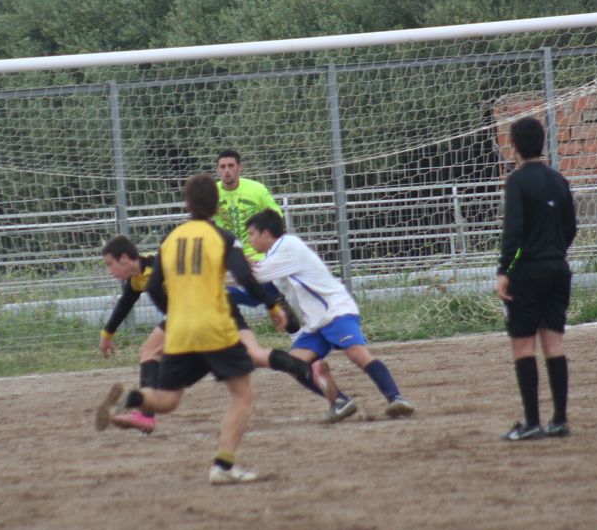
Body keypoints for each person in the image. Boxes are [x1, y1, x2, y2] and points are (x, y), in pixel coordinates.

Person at [96, 174, 293, 485]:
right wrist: (271, 305)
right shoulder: (223, 237)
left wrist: (174, 314)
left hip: (181, 330)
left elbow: (154, 287)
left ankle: (132, 399)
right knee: (242, 396)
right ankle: (223, 466)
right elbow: (244, 275)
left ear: (187, 204)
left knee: (167, 399)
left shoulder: (169, 240)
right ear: (216, 206)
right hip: (215, 327)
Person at [99, 235, 332, 433]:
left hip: (205, 309)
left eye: (110, 265)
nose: (109, 272)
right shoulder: (136, 279)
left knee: (159, 360)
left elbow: (202, 259)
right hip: (194, 314)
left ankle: (145, 412)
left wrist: (236, 262)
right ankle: (312, 374)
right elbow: (126, 302)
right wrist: (107, 333)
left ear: (125, 258)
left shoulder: (160, 262)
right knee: (250, 356)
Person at [246, 209, 415, 421]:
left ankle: (396, 399)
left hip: (335, 311)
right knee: (294, 365)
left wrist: (230, 268)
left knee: (356, 353)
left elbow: (258, 275)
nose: (249, 240)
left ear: (265, 233)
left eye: (251, 234)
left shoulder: (288, 244)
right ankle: (340, 402)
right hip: (315, 323)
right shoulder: (274, 258)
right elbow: (259, 291)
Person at [495, 116, 577, 442]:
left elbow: (513, 232)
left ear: (514, 146)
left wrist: (505, 269)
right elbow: (570, 227)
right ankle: (559, 420)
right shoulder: (559, 180)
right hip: (558, 269)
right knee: (553, 344)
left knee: (523, 345)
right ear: (542, 143)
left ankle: (531, 422)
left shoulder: (516, 181)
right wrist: (555, 252)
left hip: (528, 272)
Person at [215, 149, 282, 261]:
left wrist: (271, 248)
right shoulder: (211, 193)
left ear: (240, 167)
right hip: (226, 257)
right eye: (222, 167)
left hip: (258, 257)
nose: (227, 170)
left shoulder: (257, 189)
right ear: (217, 170)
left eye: (231, 165)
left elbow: (276, 218)